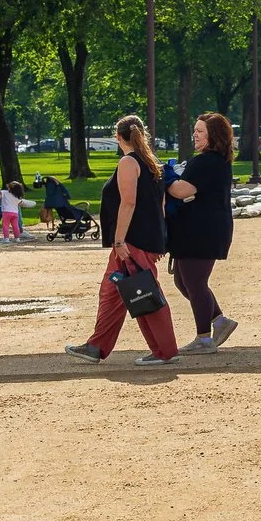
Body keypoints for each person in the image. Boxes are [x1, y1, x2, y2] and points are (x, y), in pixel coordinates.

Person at [64, 115, 181, 367]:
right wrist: (159, 240)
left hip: (130, 241)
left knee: (145, 293)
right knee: (114, 293)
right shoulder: (152, 162)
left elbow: (129, 202)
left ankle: (165, 350)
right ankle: (96, 346)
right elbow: (160, 204)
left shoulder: (129, 162)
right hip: (142, 239)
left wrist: (119, 241)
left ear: (118, 137)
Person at [165, 112, 239, 353]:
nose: (194, 135)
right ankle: (219, 321)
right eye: (194, 130)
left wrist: (163, 177)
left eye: (200, 131)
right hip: (205, 229)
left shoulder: (205, 162)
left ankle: (204, 338)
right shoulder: (215, 161)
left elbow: (181, 191)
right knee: (183, 280)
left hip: (201, 231)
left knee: (194, 282)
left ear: (213, 136)